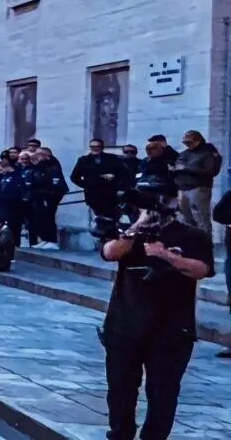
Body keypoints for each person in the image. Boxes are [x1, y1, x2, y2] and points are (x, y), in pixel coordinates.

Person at [100, 175, 213, 440]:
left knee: (163, 392)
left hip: (171, 329)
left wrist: (165, 255)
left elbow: (202, 270)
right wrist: (138, 226)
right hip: (125, 326)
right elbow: (110, 253)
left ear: (174, 200)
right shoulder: (128, 233)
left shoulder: (192, 235)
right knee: (120, 388)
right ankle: (120, 434)